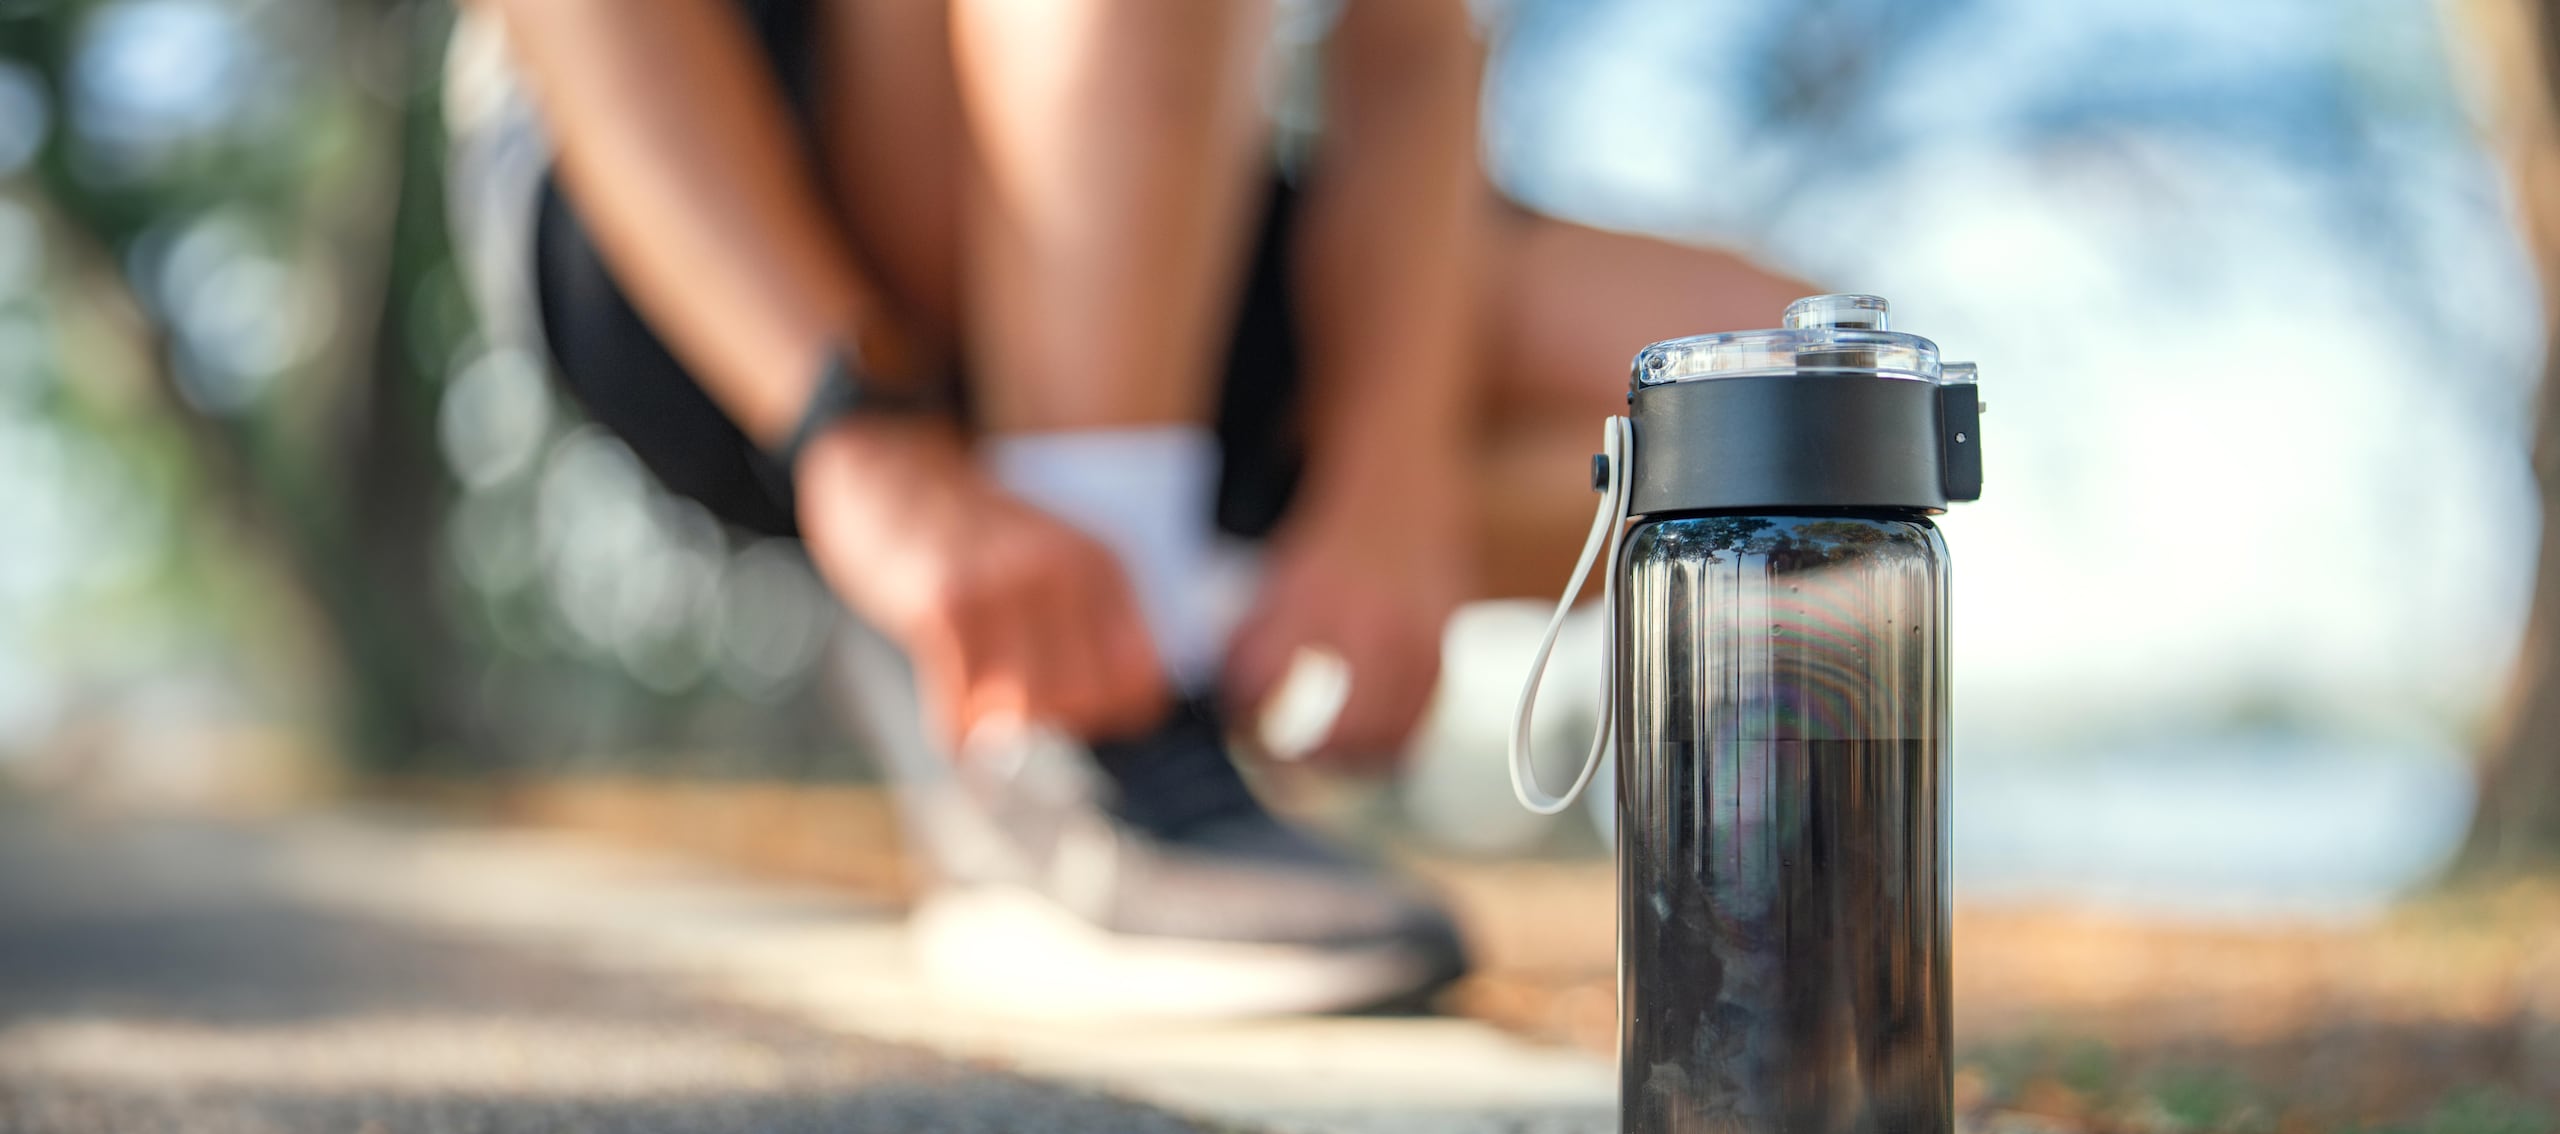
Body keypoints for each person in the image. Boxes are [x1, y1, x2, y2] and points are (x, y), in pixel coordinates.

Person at [445, 0, 1808, 1016]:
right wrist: (853, 437)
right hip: (688, 194)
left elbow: (1407, 43)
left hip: (1132, 172)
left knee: (1792, 404)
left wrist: (1386, 487)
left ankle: (1121, 604)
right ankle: (1075, 750)